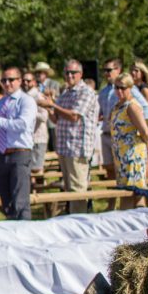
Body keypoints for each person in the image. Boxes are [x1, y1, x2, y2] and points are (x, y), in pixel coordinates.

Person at [40, 60, 99, 215]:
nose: (70, 75)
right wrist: (47, 106)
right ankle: (72, 221)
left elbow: (74, 116)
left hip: (78, 148)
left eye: (73, 72)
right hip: (64, 148)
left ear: (81, 74)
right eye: (67, 72)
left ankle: (80, 224)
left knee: (78, 191)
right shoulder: (65, 93)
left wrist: (52, 105)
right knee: (68, 189)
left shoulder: (85, 92)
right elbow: (56, 119)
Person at [0, 66, 36, 221]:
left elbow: (22, 125)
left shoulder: (26, 101)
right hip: (1, 155)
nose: (7, 83)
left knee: (20, 201)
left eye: (11, 79)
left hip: (20, 153)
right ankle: (12, 233)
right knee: (6, 202)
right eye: (4, 80)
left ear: (19, 81)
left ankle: (25, 235)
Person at [97, 58, 148, 181]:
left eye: (109, 70)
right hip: (109, 135)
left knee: (135, 179)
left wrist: (136, 123)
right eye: (104, 70)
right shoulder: (104, 91)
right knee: (110, 169)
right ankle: (112, 199)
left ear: (118, 70)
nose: (106, 73)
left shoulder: (129, 89)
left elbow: (145, 108)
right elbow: (102, 112)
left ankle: (147, 195)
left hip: (129, 141)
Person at [110, 73, 148, 209]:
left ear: (130, 88)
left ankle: (140, 223)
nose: (119, 91)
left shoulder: (131, 106)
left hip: (132, 156)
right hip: (121, 157)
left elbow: (144, 131)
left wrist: (146, 143)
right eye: (116, 87)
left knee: (135, 193)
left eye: (123, 88)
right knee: (125, 193)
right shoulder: (117, 106)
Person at [23, 72, 50, 175]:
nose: (25, 83)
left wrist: (29, 113)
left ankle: (41, 190)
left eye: (28, 81)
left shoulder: (38, 96)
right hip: (28, 138)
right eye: (24, 80)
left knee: (37, 169)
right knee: (29, 170)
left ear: (33, 82)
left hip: (38, 137)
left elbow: (44, 117)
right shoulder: (24, 96)